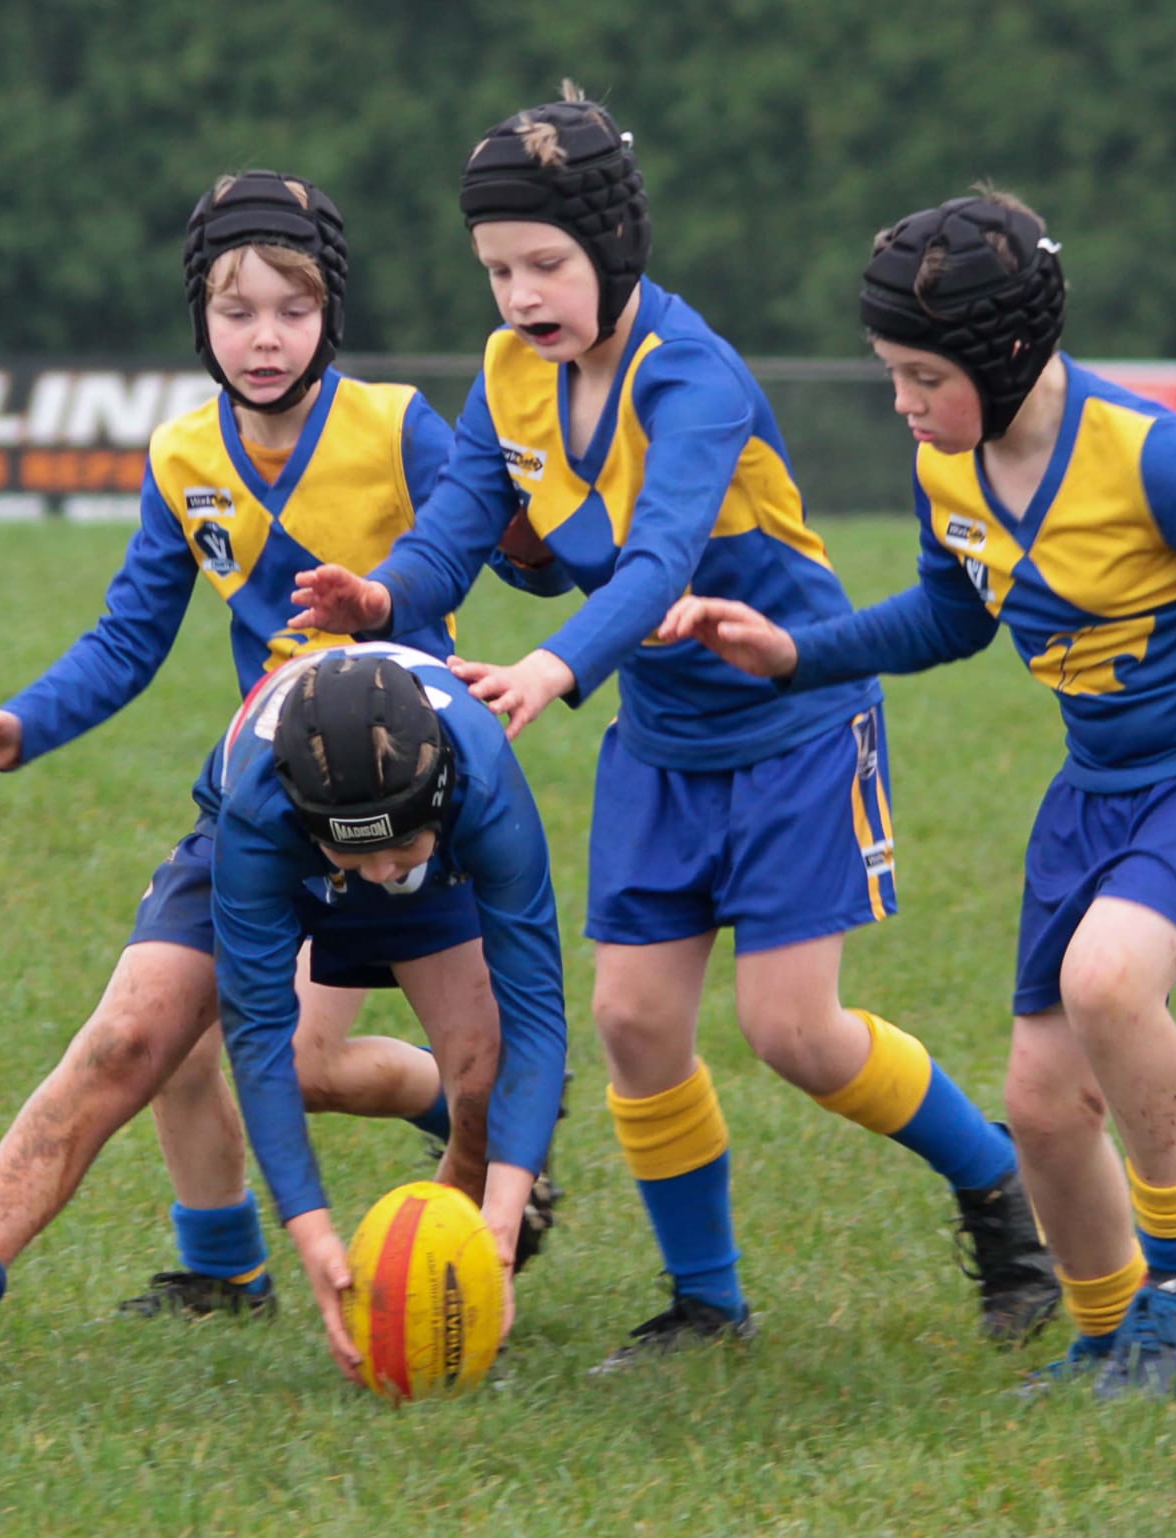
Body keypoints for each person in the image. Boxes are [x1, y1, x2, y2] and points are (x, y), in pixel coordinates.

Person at [290, 87, 1060, 1367]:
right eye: (496, 270)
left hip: (795, 722)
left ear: (614, 248)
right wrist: (384, 592)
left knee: (793, 1032)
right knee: (635, 1022)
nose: (521, 294)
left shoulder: (692, 377)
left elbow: (656, 567)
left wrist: (550, 664)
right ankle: (707, 1302)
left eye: (546, 263)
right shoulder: (508, 375)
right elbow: (457, 526)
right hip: (662, 739)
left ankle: (1000, 1200)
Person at [659, 192, 1176, 1400]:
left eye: (922, 375)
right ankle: (1103, 1332)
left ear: (1005, 354)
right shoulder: (947, 466)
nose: (903, 403)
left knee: (1107, 978)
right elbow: (952, 612)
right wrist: (797, 652)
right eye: (891, 374)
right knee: (1038, 1101)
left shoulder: (1155, 460)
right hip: (1100, 779)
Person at [0, 173, 509, 1396]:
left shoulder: (403, 423)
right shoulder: (182, 454)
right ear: (200, 318)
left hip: (413, 803)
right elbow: (129, 637)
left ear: (330, 316)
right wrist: (23, 723)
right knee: (136, 1035)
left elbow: (478, 535)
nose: (264, 337)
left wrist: (396, 598)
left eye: (291, 310)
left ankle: (468, 1242)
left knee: (475, 1077)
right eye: (237, 309)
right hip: (263, 802)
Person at [0, 647, 568, 1388]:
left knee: (488, 1083)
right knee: (125, 1042)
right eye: (359, 854)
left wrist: (502, 1226)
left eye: (399, 846)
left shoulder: (479, 781)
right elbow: (258, 1042)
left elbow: (540, 1012)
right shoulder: (264, 807)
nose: (383, 872)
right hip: (278, 851)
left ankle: (441, 1296)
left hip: (432, 873)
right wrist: (312, 1232)